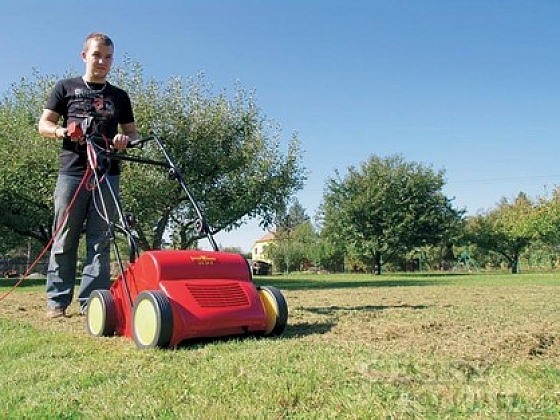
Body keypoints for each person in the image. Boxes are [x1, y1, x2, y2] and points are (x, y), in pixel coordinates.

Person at [38, 33, 138, 318]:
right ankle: (57, 301)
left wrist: (124, 140)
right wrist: (62, 131)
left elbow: (132, 133)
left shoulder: (119, 96)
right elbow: (44, 124)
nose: (102, 62)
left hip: (107, 173)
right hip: (72, 172)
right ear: (85, 56)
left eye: (107, 57)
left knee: (101, 239)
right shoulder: (65, 87)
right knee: (65, 236)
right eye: (96, 55)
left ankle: (92, 303)